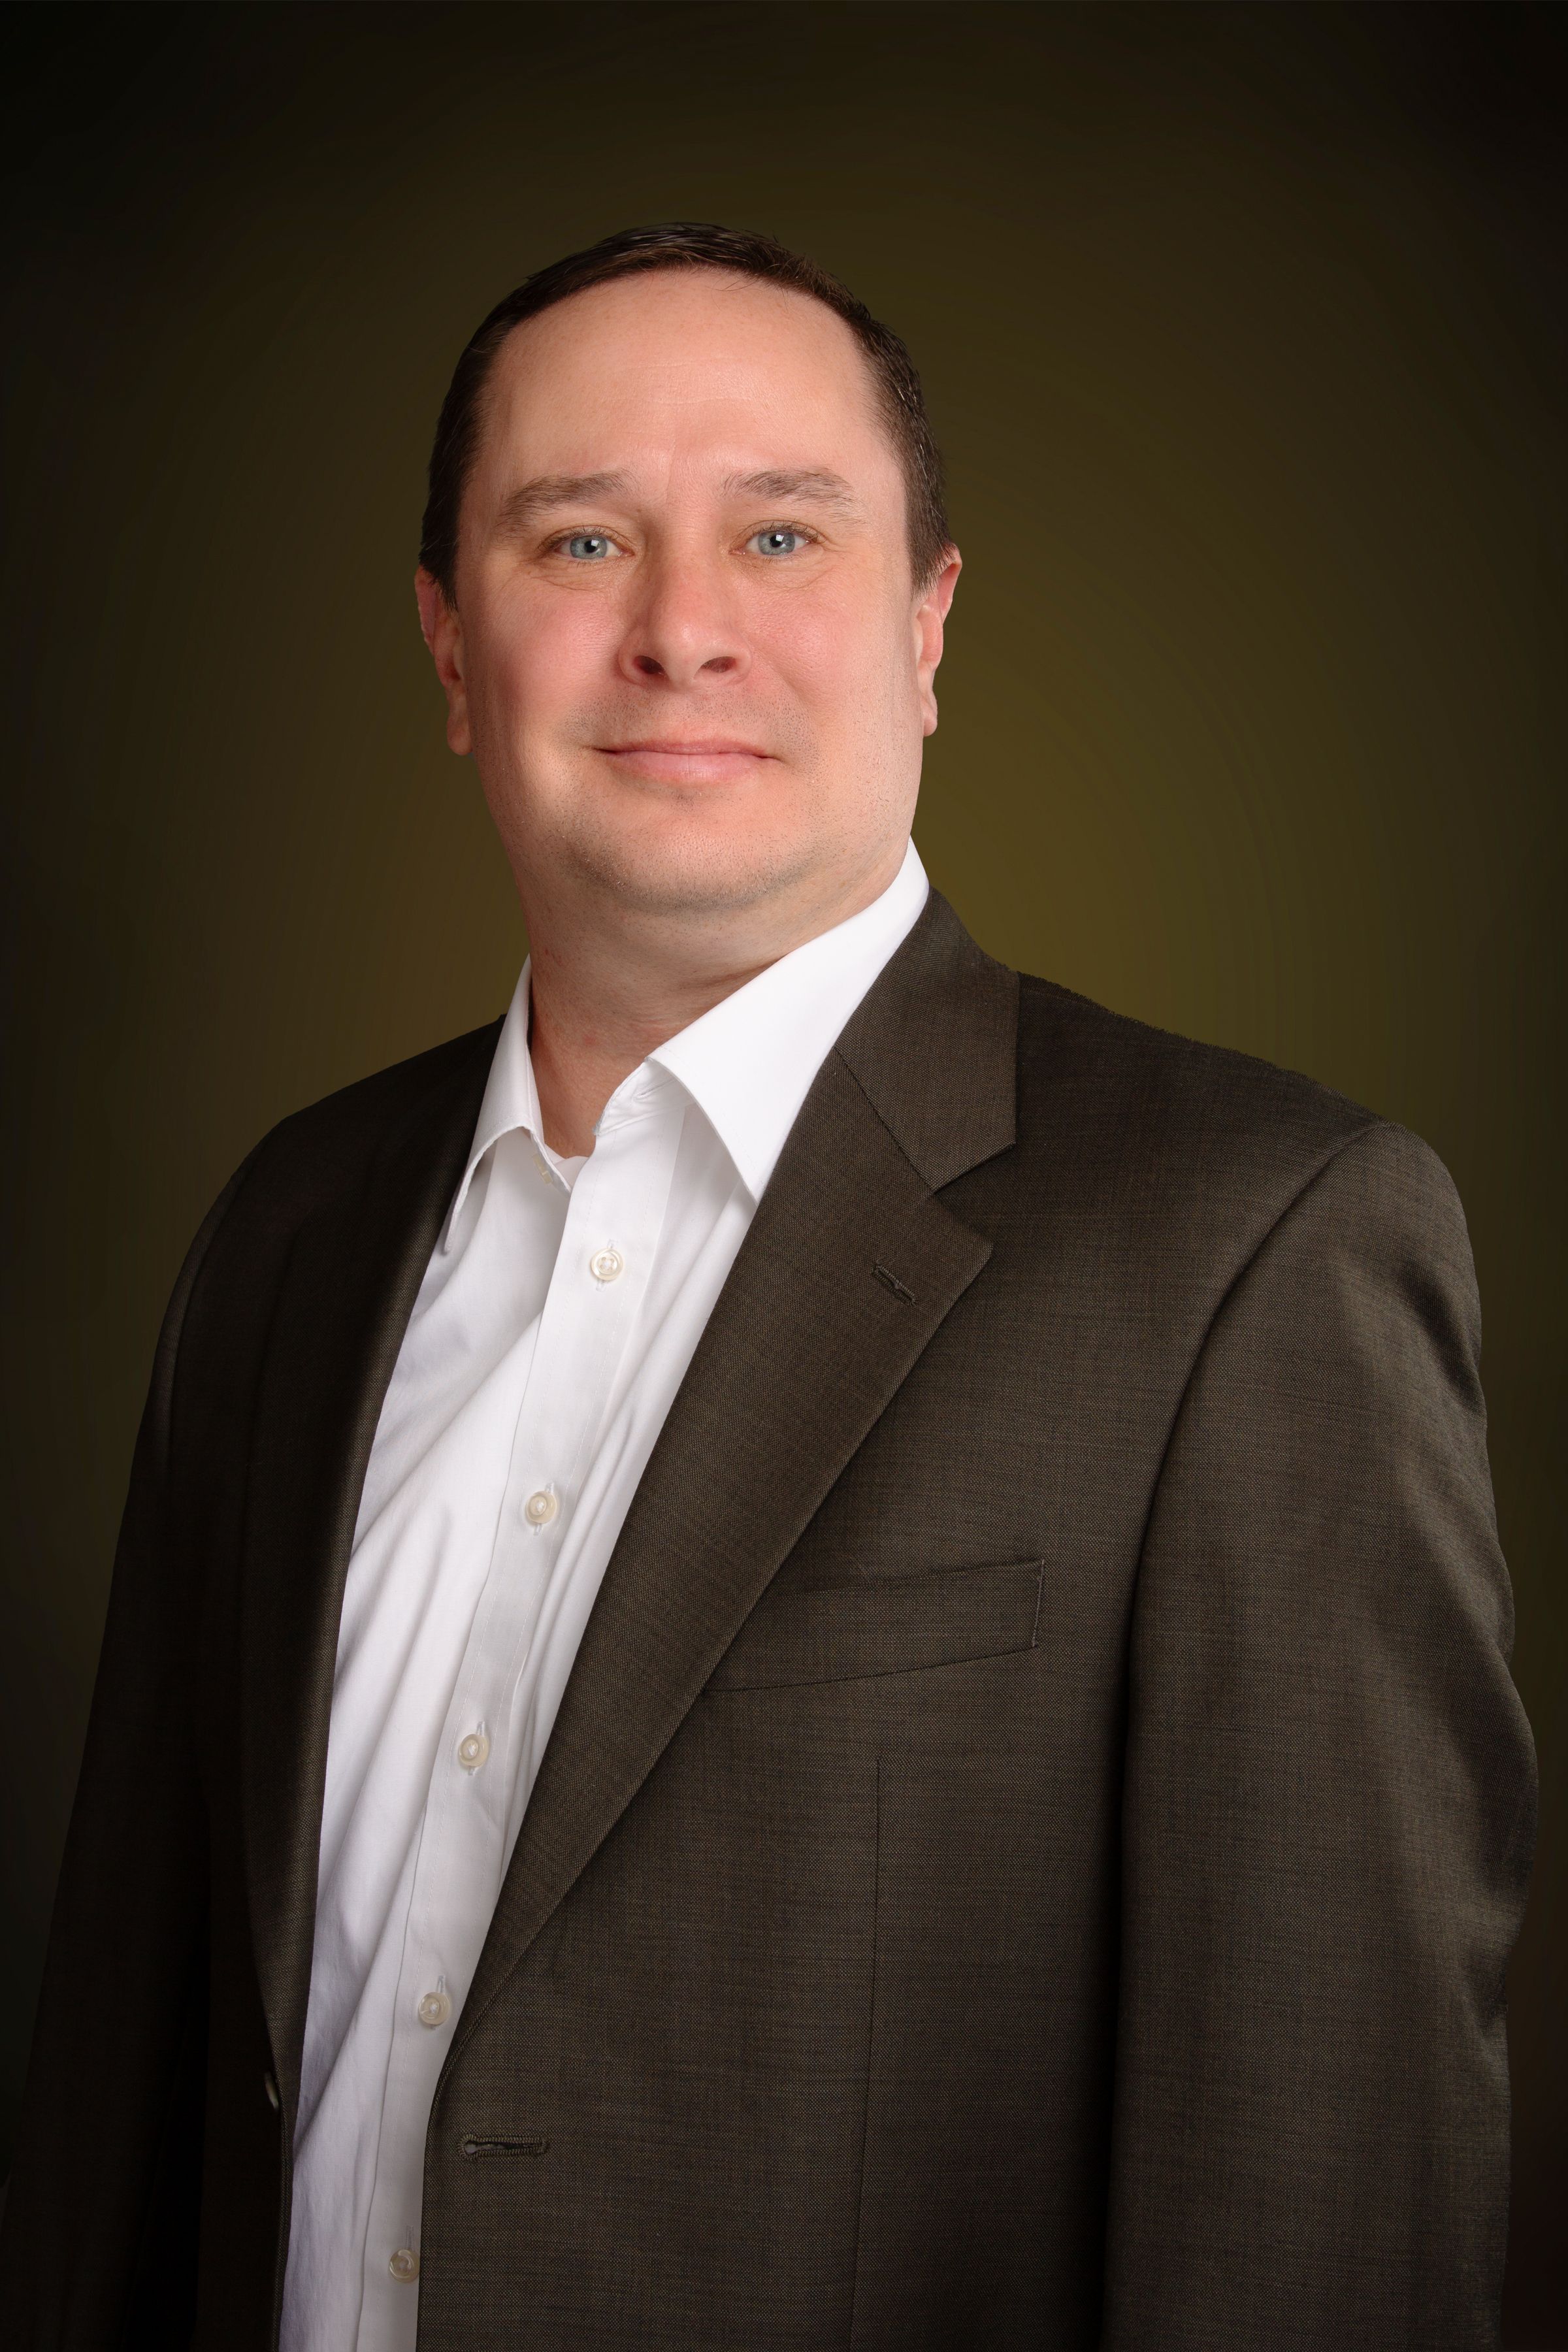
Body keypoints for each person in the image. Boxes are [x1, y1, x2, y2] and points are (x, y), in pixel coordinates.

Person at [0, 223, 1535, 2352]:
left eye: (783, 534)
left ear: (928, 632)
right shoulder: (282, 1236)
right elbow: (117, 2121)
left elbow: (1317, 2202)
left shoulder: (1254, 1248)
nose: (681, 631)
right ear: (452, 653)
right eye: (577, 541)